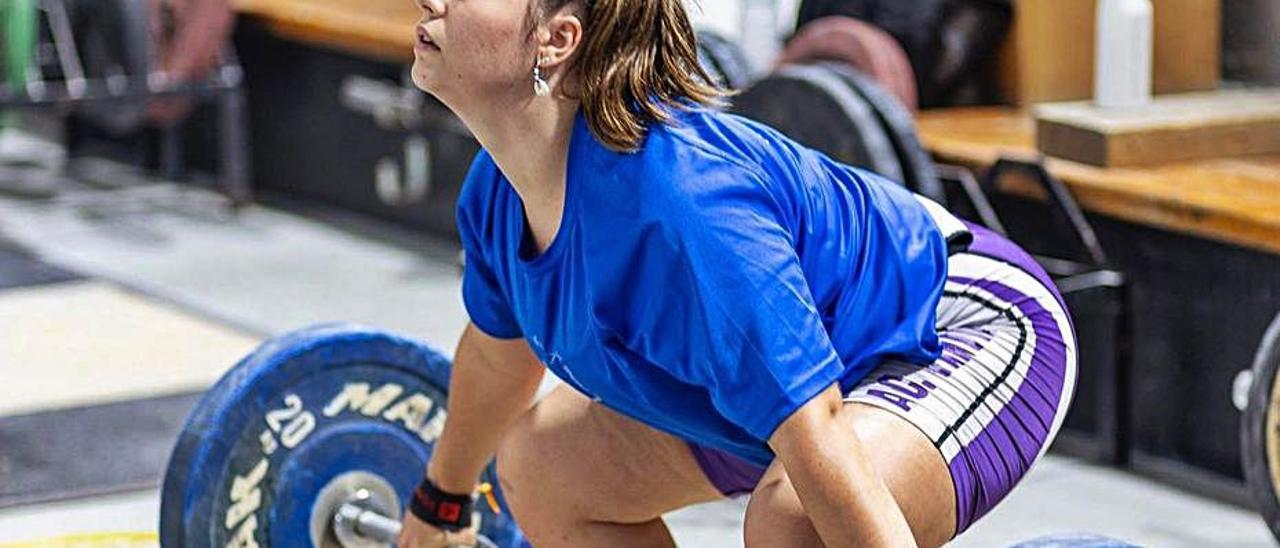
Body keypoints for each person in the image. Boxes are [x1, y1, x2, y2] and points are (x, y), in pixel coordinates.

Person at [397, 0, 1076, 546]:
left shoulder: (683, 210)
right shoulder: (497, 191)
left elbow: (819, 446)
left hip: (958, 325)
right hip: (800, 390)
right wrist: (439, 504)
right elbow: (497, 358)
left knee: (794, 523)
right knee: (540, 469)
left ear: (557, 39)